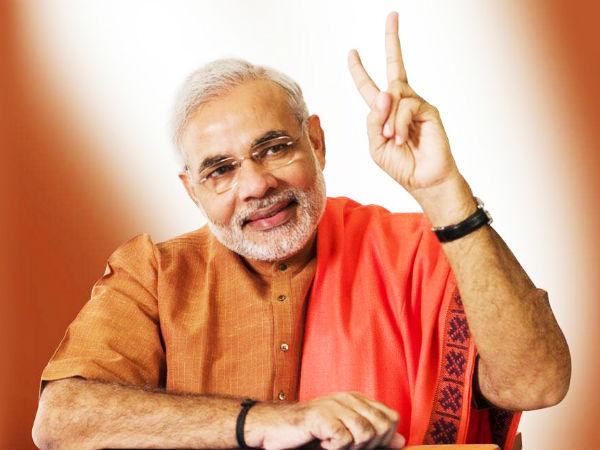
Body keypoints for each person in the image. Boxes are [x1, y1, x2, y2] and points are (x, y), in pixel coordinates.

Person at [32, 12, 570, 450]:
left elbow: (538, 383)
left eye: (274, 148)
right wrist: (262, 422)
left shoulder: (420, 250)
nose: (256, 184)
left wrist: (444, 191)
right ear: (192, 190)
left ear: (317, 142)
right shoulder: (154, 274)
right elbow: (60, 419)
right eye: (220, 170)